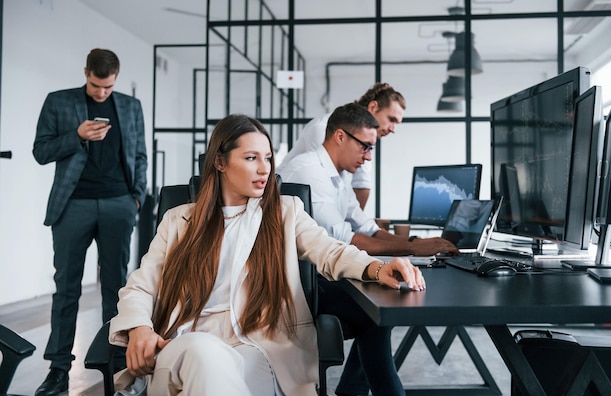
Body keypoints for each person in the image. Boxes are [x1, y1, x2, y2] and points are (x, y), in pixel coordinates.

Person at [107, 114, 423, 395]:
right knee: (201, 351)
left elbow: (329, 250)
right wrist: (139, 328)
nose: (264, 169)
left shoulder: (285, 213)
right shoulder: (178, 221)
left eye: (268, 158)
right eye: (250, 158)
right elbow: (141, 285)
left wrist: (376, 269)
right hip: (185, 344)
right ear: (220, 162)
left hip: (258, 350)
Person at [278, 103, 458, 396]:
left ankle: (354, 391)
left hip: (321, 273)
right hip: (298, 284)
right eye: (364, 146)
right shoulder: (307, 170)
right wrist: (416, 247)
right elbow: (346, 239)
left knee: (379, 307)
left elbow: (367, 227)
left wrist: (415, 247)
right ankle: (366, 392)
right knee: (377, 311)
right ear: (339, 136)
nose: (368, 156)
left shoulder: (338, 175)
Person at [32, 48, 147, 395]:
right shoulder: (59, 102)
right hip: (73, 205)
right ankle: (58, 371)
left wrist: (135, 198)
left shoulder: (130, 106)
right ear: (86, 73)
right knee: (66, 288)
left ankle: (116, 367)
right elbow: (41, 151)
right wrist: (77, 136)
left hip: (118, 203)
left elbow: (139, 154)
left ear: (116, 79)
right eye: (96, 86)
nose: (101, 93)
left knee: (117, 289)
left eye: (108, 87)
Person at [277, 82, 406, 210]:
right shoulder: (323, 128)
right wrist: (346, 227)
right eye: (391, 119)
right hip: (282, 200)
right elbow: (327, 183)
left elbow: (361, 185)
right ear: (373, 107)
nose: (393, 129)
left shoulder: (362, 141)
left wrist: (354, 225)